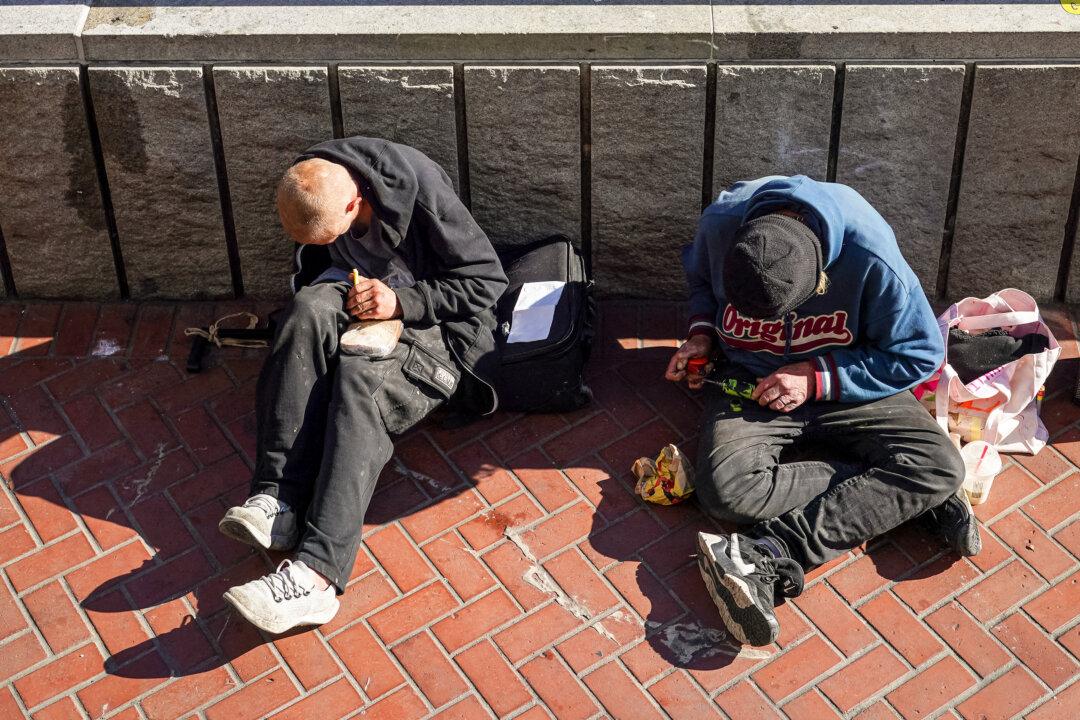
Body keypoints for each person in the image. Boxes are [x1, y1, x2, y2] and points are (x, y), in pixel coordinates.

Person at [666, 175, 977, 647]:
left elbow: (919, 354)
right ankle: (898, 495)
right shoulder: (721, 224)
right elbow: (701, 287)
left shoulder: (870, 253)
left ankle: (770, 549)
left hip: (850, 381)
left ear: (823, 276)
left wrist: (817, 377)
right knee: (726, 495)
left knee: (939, 466)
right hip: (748, 383)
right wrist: (703, 335)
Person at [217, 137, 507, 634]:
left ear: (354, 202)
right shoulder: (313, 179)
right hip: (359, 292)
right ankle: (277, 498)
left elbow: (486, 281)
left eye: (338, 230)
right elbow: (314, 269)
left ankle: (317, 576)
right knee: (304, 313)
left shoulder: (422, 194)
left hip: (438, 324)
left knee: (359, 379)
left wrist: (401, 304)